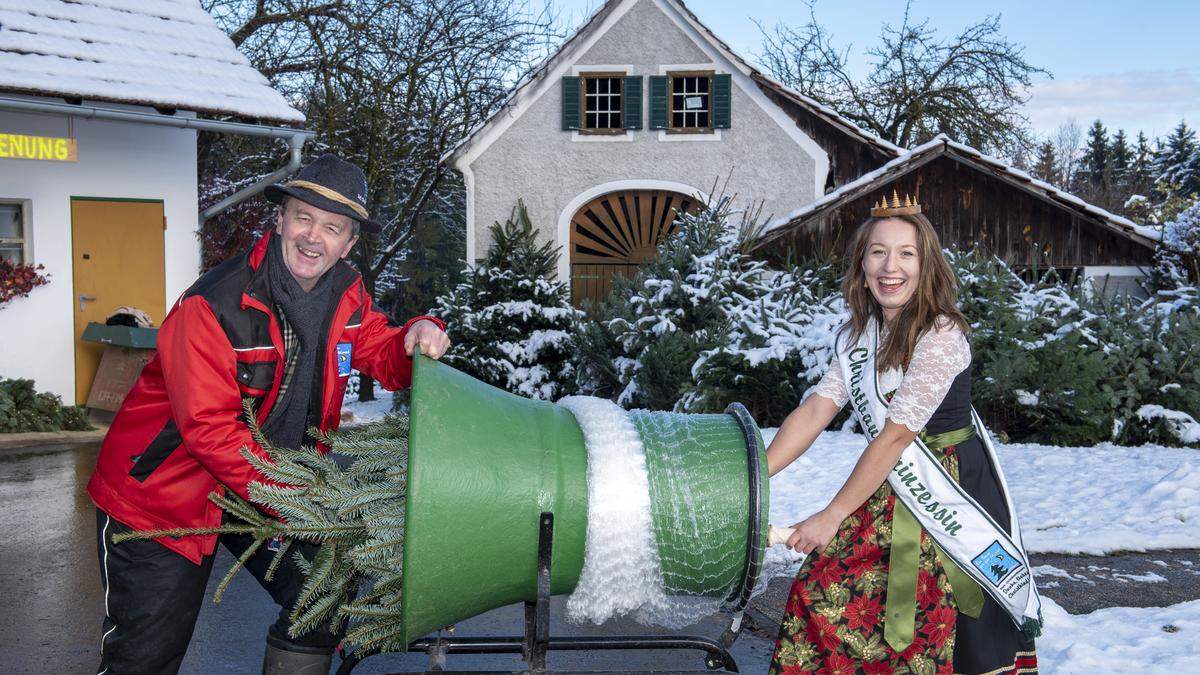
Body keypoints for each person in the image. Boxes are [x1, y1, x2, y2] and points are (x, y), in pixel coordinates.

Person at [87, 154, 451, 674]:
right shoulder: (214, 305)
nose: (313, 237)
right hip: (165, 498)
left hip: (263, 489)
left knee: (324, 598)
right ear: (279, 220)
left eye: (332, 227)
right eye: (303, 217)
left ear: (348, 244)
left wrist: (420, 332)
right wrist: (303, 500)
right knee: (143, 660)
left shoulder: (346, 295)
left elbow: (385, 353)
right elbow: (210, 431)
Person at [767, 195, 1041, 674]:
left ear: (926, 263)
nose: (889, 266)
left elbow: (895, 437)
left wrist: (831, 515)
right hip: (884, 483)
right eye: (877, 251)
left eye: (906, 253)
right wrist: (755, 474)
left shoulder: (941, 335)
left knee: (929, 622)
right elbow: (816, 410)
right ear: (862, 262)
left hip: (945, 488)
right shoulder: (859, 334)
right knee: (823, 597)